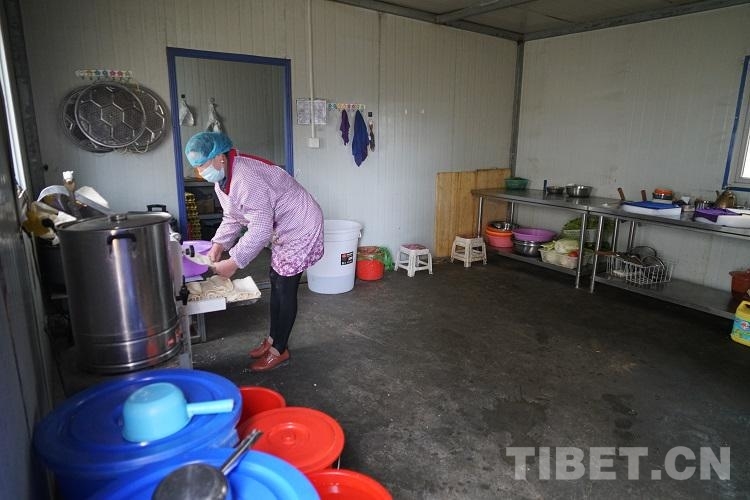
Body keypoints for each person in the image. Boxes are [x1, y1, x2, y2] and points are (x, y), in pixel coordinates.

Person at [184, 132, 324, 372]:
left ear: (219, 157)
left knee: (285, 286)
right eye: (196, 166)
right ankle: (272, 339)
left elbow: (259, 229)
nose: (200, 171)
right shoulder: (223, 179)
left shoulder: (245, 178)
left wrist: (233, 262)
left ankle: (279, 349)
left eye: (202, 164)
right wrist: (218, 244)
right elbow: (233, 216)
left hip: (300, 224)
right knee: (275, 279)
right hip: (282, 226)